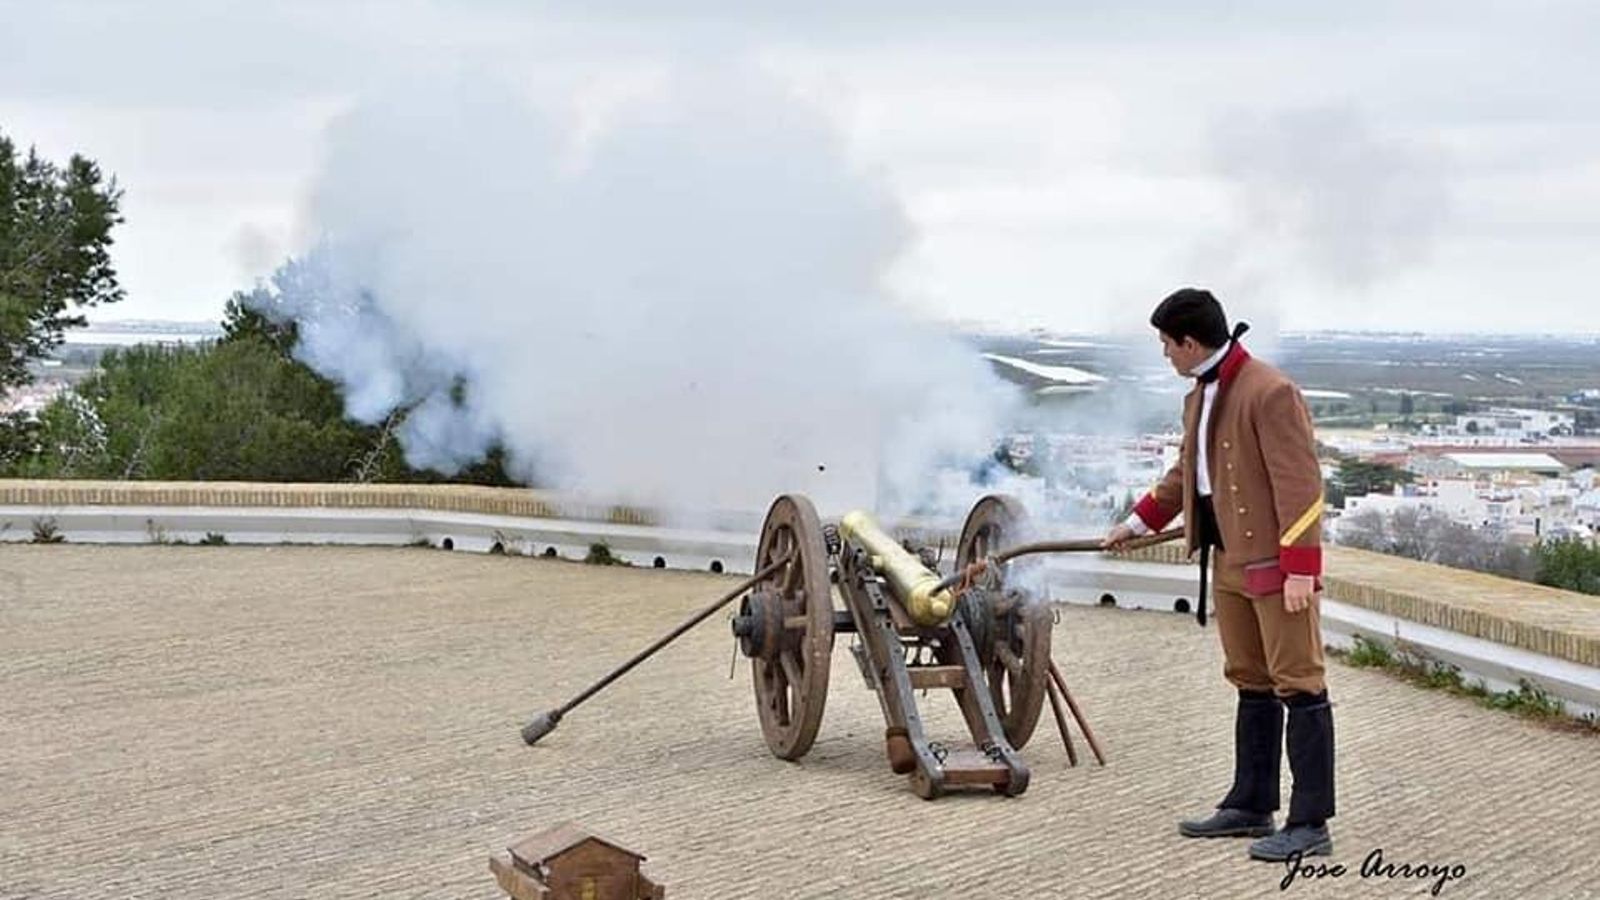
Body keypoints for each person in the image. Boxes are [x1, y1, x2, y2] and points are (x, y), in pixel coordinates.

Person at [1103, 288, 1335, 862]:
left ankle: (1310, 822)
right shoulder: (1201, 394)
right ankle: (1251, 805)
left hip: (1278, 567)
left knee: (1299, 684)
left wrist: (1301, 568)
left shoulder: (1270, 391)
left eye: (1165, 344)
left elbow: (1301, 486)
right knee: (1249, 679)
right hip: (1229, 559)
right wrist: (1137, 522)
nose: (1164, 354)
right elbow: (1189, 472)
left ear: (1189, 340)